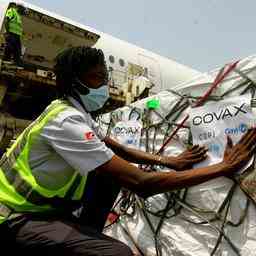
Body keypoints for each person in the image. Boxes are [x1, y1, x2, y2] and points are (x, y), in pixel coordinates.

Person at [0, 46, 255, 256]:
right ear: (74, 82)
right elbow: (142, 184)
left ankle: (82, 234)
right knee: (118, 253)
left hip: (37, 209)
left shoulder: (71, 111)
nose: (105, 85)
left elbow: (116, 147)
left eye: (105, 77)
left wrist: (169, 161)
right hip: (15, 218)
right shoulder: (67, 121)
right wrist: (223, 167)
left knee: (106, 177)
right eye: (97, 78)